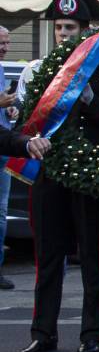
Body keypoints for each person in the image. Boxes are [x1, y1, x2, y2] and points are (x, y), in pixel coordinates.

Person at [18, 0, 99, 352]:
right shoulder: (36, 71)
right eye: (59, 28)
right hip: (48, 173)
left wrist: (90, 102)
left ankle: (92, 333)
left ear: (85, 33)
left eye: (71, 29)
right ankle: (43, 332)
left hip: (91, 174)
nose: (64, 34)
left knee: (93, 259)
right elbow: (22, 124)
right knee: (47, 259)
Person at [0, 25, 15, 291]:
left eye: (6, 43)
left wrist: (10, 109)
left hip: (3, 153)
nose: (3, 47)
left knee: (1, 213)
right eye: (0, 42)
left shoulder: (1, 70)